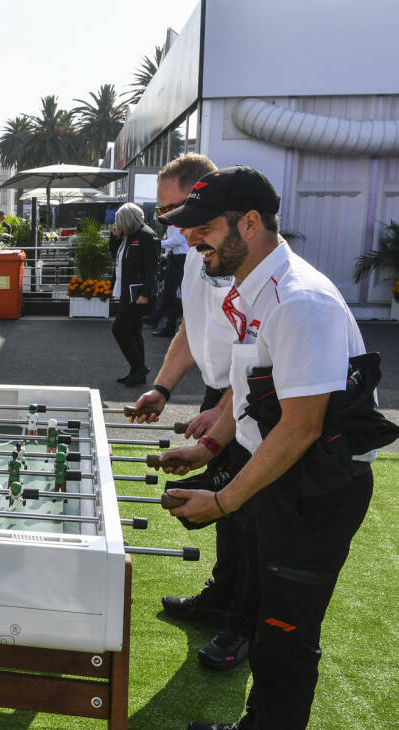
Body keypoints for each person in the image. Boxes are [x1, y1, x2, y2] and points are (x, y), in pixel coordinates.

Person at [158, 165, 380, 730]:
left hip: (315, 488)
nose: (190, 238)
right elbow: (255, 386)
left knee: (285, 633)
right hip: (282, 476)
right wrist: (211, 445)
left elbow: (302, 426)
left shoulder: (299, 300)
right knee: (266, 617)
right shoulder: (254, 286)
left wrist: (224, 501)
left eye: (202, 226)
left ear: (250, 223)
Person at [133, 153, 254, 673]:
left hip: (253, 397)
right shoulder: (193, 252)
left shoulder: (236, 257)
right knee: (227, 513)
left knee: (246, 514)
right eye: (163, 213)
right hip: (219, 393)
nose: (170, 223)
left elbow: (257, 355)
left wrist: (218, 427)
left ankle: (244, 626)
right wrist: (162, 387)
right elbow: (190, 329)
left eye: (176, 209)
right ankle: (222, 598)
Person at [109, 202, 158, 385]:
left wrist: (146, 293)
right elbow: (116, 255)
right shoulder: (128, 236)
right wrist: (114, 237)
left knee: (119, 329)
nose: (117, 225)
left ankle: (140, 368)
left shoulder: (146, 236)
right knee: (133, 331)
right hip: (126, 292)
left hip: (138, 294)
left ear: (127, 220)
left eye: (119, 222)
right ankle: (137, 371)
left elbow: (153, 268)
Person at [148, 224, 188, 336]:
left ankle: (158, 318)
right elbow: (176, 242)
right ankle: (165, 323)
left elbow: (178, 241)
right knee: (171, 292)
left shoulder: (176, 223)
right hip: (176, 259)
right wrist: (165, 255)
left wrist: (159, 243)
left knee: (170, 292)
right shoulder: (173, 224)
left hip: (180, 259)